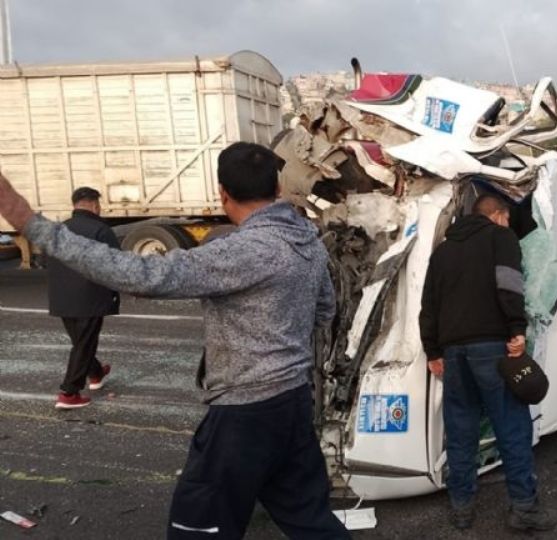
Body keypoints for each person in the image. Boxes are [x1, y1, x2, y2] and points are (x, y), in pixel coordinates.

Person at [0, 143, 350, 539]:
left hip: (244, 413)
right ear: (277, 188)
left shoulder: (243, 251)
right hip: (293, 402)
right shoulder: (307, 239)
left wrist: (31, 223)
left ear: (223, 193)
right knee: (308, 517)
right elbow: (324, 311)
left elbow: (140, 274)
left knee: (197, 527)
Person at [419, 194, 555, 533]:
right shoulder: (501, 237)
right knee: (512, 427)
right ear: (498, 215)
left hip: (454, 353)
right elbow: (509, 283)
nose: (508, 225)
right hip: (492, 348)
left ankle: (462, 507)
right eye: (507, 219)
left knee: (461, 429)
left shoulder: (444, 251)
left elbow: (429, 304)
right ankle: (523, 508)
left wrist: (433, 351)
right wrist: (517, 328)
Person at [48, 187, 120, 410]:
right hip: (90, 296)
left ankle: (96, 373)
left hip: (61, 297)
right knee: (84, 344)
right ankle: (68, 393)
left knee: (81, 341)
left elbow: (45, 260)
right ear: (94, 204)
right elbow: (116, 263)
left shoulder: (57, 230)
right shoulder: (101, 229)